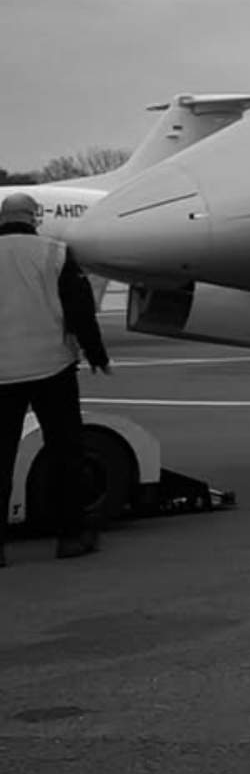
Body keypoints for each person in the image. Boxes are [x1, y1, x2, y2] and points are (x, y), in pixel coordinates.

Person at [0, 190, 110, 564]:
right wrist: (97, 355)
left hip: (1, 372)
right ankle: (71, 535)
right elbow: (80, 311)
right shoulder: (55, 252)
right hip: (52, 368)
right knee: (66, 453)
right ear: (35, 218)